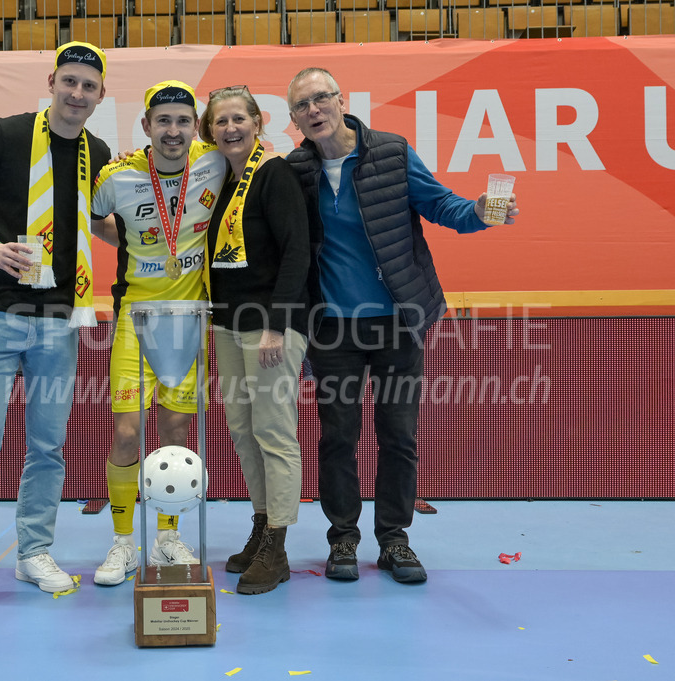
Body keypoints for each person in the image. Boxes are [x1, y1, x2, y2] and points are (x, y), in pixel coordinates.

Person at [284, 67, 519, 584]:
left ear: (341, 99)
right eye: (302, 106)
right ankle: (342, 537)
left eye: (321, 98)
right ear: (293, 119)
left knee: (398, 436)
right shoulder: (295, 169)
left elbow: (441, 205)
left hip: (397, 322)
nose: (314, 111)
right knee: (337, 438)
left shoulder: (391, 152)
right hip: (332, 330)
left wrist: (481, 211)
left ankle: (394, 541)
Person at [0, 42, 112, 618]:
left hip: (59, 317)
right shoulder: (2, 136)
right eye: (69, 81)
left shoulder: (99, 153)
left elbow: (103, 226)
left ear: (101, 95)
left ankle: (34, 550)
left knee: (47, 445)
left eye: (89, 86)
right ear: (52, 82)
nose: (77, 94)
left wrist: (158, 224)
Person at [89, 80, 227, 586]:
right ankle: (124, 542)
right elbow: (92, 217)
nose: (173, 131)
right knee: (127, 432)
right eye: (162, 121)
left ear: (197, 126)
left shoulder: (216, 161)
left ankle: (167, 537)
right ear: (145, 126)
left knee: (174, 433)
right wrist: (125, 239)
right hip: (136, 320)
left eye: (183, 121)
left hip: (191, 319)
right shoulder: (116, 175)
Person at [198, 86, 310, 595]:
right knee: (244, 432)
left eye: (238, 118)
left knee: (273, 432)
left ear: (258, 121)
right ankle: (261, 525)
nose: (230, 128)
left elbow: (297, 254)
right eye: (220, 121)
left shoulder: (275, 173)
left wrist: (276, 324)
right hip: (226, 324)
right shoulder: (219, 181)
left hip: (270, 327)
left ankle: (279, 546)